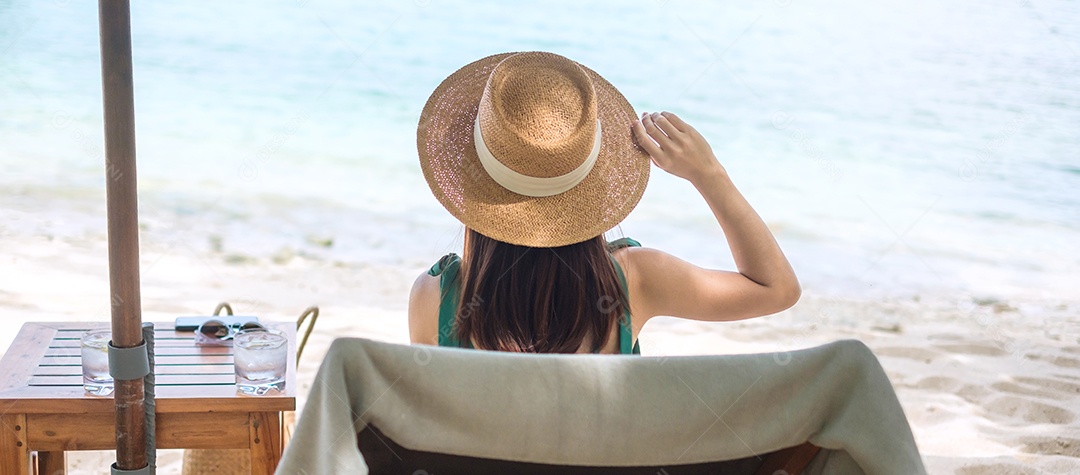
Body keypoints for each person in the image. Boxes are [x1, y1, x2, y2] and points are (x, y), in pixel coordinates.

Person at [410, 51, 799, 354]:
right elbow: (777, 288)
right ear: (591, 185)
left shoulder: (433, 301)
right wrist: (710, 174)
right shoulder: (635, 281)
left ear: (471, 187)